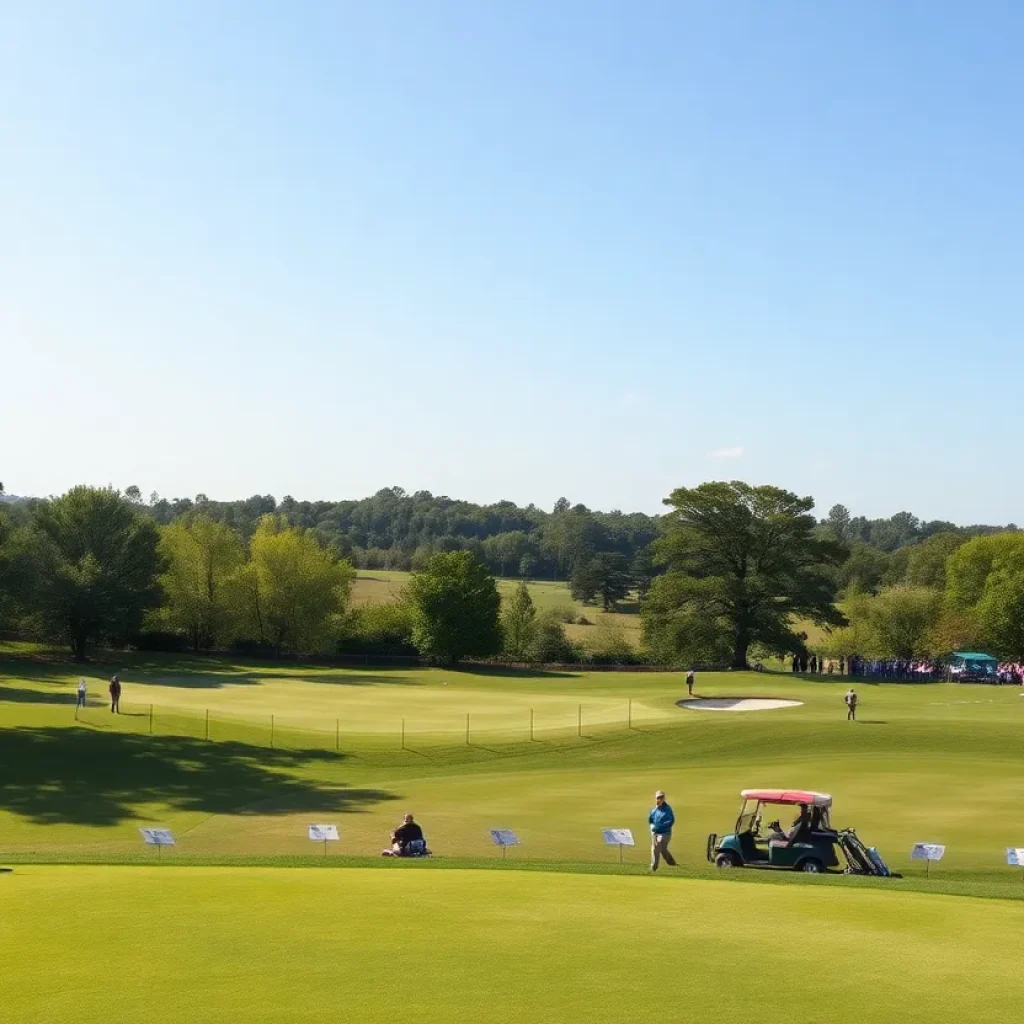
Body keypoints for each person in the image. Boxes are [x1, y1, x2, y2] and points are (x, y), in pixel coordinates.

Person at [648, 790, 677, 871]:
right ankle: (671, 862)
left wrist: (659, 827)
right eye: (658, 797)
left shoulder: (668, 809)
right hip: (655, 832)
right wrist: (652, 827)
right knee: (661, 849)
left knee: (658, 844)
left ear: (664, 798)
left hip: (665, 833)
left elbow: (671, 821)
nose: (660, 799)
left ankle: (654, 867)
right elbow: (650, 820)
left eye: (661, 797)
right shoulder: (654, 810)